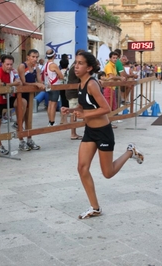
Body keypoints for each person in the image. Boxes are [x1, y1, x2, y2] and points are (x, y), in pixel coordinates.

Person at [60, 51, 144, 219]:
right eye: (75, 63)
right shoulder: (81, 84)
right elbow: (87, 107)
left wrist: (84, 116)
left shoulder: (91, 84)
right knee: (82, 168)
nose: (76, 66)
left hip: (103, 132)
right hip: (90, 132)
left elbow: (106, 108)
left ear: (89, 67)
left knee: (108, 173)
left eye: (80, 63)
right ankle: (95, 207)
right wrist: (72, 110)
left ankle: (130, 152)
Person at [0, 54, 24, 155]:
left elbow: (19, 82)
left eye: (11, 64)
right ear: (2, 64)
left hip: (8, 98)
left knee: (23, 102)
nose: (9, 66)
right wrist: (14, 84)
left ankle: (18, 122)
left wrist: (17, 82)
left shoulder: (13, 72)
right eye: (7, 64)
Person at [17, 49, 44, 151]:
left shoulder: (36, 68)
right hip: (21, 95)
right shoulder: (22, 66)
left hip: (30, 96)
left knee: (29, 118)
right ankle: (21, 141)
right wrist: (36, 84)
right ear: (28, 57)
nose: (35, 59)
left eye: (36, 57)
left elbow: (40, 81)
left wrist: (40, 83)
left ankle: (29, 139)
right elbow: (23, 82)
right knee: (21, 119)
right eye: (33, 57)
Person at [65, 49, 85, 140]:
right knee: (73, 113)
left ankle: (76, 132)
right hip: (72, 93)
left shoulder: (75, 66)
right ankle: (73, 133)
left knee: (77, 112)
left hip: (75, 92)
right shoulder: (75, 67)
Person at [43, 49, 63, 126]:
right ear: (54, 55)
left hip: (48, 85)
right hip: (54, 86)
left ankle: (50, 121)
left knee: (50, 103)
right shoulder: (53, 65)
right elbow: (61, 76)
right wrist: (58, 75)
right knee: (53, 105)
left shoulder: (45, 64)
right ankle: (52, 122)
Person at [59, 55, 70, 125]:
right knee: (66, 105)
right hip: (67, 88)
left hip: (61, 88)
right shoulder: (68, 72)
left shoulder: (59, 71)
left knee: (63, 103)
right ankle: (65, 120)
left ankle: (61, 119)